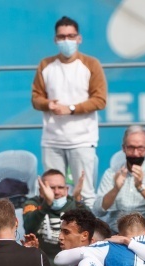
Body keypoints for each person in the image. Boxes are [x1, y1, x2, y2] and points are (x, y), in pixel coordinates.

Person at [32, 16, 106, 206]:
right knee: (52, 193)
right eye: (62, 36)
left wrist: (71, 109)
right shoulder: (46, 65)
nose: (67, 41)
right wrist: (48, 104)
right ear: (56, 39)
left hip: (82, 139)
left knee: (86, 194)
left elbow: (100, 99)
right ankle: (55, 234)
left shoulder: (91, 64)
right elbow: (36, 98)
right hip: (52, 139)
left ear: (79, 38)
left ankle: (88, 234)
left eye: (71, 36)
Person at [93, 126, 145, 232]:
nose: (135, 153)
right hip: (116, 228)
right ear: (123, 148)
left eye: (140, 148)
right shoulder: (111, 173)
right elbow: (98, 211)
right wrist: (115, 189)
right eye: (131, 148)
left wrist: (141, 187)